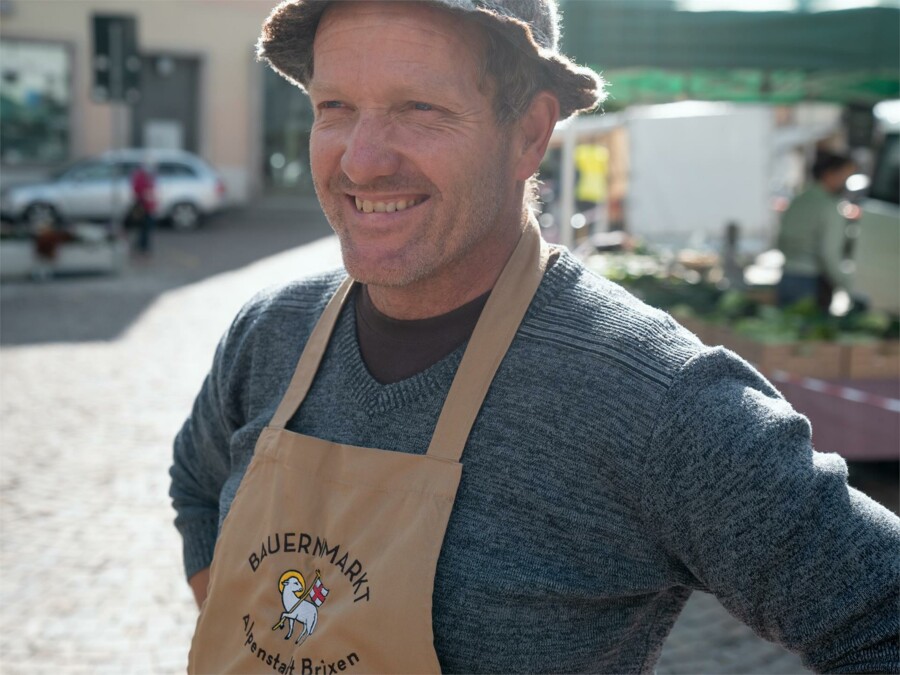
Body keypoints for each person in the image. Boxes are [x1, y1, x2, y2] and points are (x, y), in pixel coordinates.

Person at [170, 1, 900, 673]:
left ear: (528, 135)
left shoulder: (650, 396)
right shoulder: (271, 332)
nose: (360, 160)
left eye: (418, 108)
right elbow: (195, 485)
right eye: (335, 107)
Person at [776, 150, 856, 310]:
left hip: (787, 277)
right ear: (829, 174)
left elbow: (780, 239)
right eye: (844, 176)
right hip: (812, 282)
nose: (845, 183)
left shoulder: (798, 200)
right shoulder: (830, 207)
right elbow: (829, 254)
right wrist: (848, 286)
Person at [129, 158, 157, 257]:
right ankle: (142, 247)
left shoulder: (149, 177)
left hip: (149, 206)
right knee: (144, 228)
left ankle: (142, 247)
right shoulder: (140, 177)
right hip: (143, 206)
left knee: (147, 228)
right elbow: (138, 190)